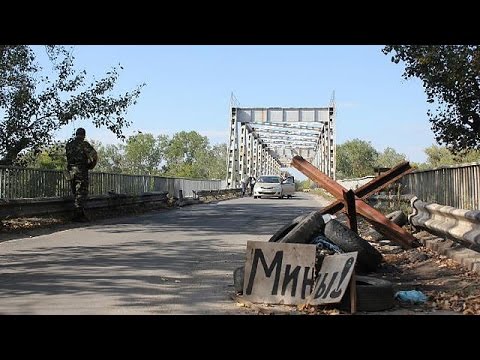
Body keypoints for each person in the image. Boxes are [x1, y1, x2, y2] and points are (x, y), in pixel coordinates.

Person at [65, 128, 97, 222]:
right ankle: (79, 215)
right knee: (82, 192)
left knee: (75, 191)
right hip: (81, 170)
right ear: (84, 135)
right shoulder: (84, 144)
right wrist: (91, 165)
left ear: (76, 134)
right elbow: (94, 155)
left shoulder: (69, 145)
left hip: (71, 170)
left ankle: (78, 213)